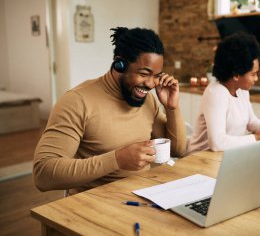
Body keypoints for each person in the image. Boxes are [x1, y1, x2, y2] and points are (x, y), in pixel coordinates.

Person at [33, 27, 187, 194]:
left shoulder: (148, 100)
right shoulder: (77, 101)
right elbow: (43, 174)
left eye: (156, 76)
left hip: (145, 198)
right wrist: (117, 160)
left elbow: (176, 151)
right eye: (144, 73)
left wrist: (172, 107)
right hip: (96, 206)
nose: (151, 84)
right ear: (119, 64)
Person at [187, 31, 260, 153]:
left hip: (225, 157)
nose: (256, 79)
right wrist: (256, 137)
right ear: (236, 75)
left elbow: (251, 121)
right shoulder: (216, 93)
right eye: (253, 74)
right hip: (199, 160)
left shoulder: (242, 90)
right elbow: (217, 143)